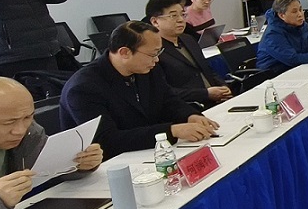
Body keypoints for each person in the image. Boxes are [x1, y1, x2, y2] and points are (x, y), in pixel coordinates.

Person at [60, 21, 219, 159]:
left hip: (148, 152)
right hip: (111, 163)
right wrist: (171, 131)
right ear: (125, 52)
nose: (157, 59)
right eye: (153, 54)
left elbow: (168, 100)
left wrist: (190, 116)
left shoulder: (147, 69)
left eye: (159, 52)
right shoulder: (84, 88)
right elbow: (107, 140)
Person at [0, 78, 102, 209]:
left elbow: (46, 170)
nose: (20, 130)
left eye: (28, 117)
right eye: (8, 123)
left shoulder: (30, 133)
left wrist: (79, 164)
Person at [146, 0, 232, 106]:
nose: (181, 20)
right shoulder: (153, 52)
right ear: (155, 22)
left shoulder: (188, 39)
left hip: (218, 100)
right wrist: (205, 94)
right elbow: (164, 91)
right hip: (190, 107)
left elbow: (207, 69)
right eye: (173, 16)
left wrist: (223, 87)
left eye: (183, 15)